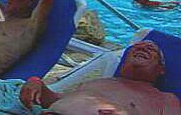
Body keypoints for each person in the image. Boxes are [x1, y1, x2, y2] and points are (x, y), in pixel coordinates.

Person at [19, 40, 180, 114]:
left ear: (161, 69)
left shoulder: (165, 99)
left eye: (150, 50)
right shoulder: (100, 81)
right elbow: (54, 100)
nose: (143, 47)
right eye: (137, 48)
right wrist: (37, 84)